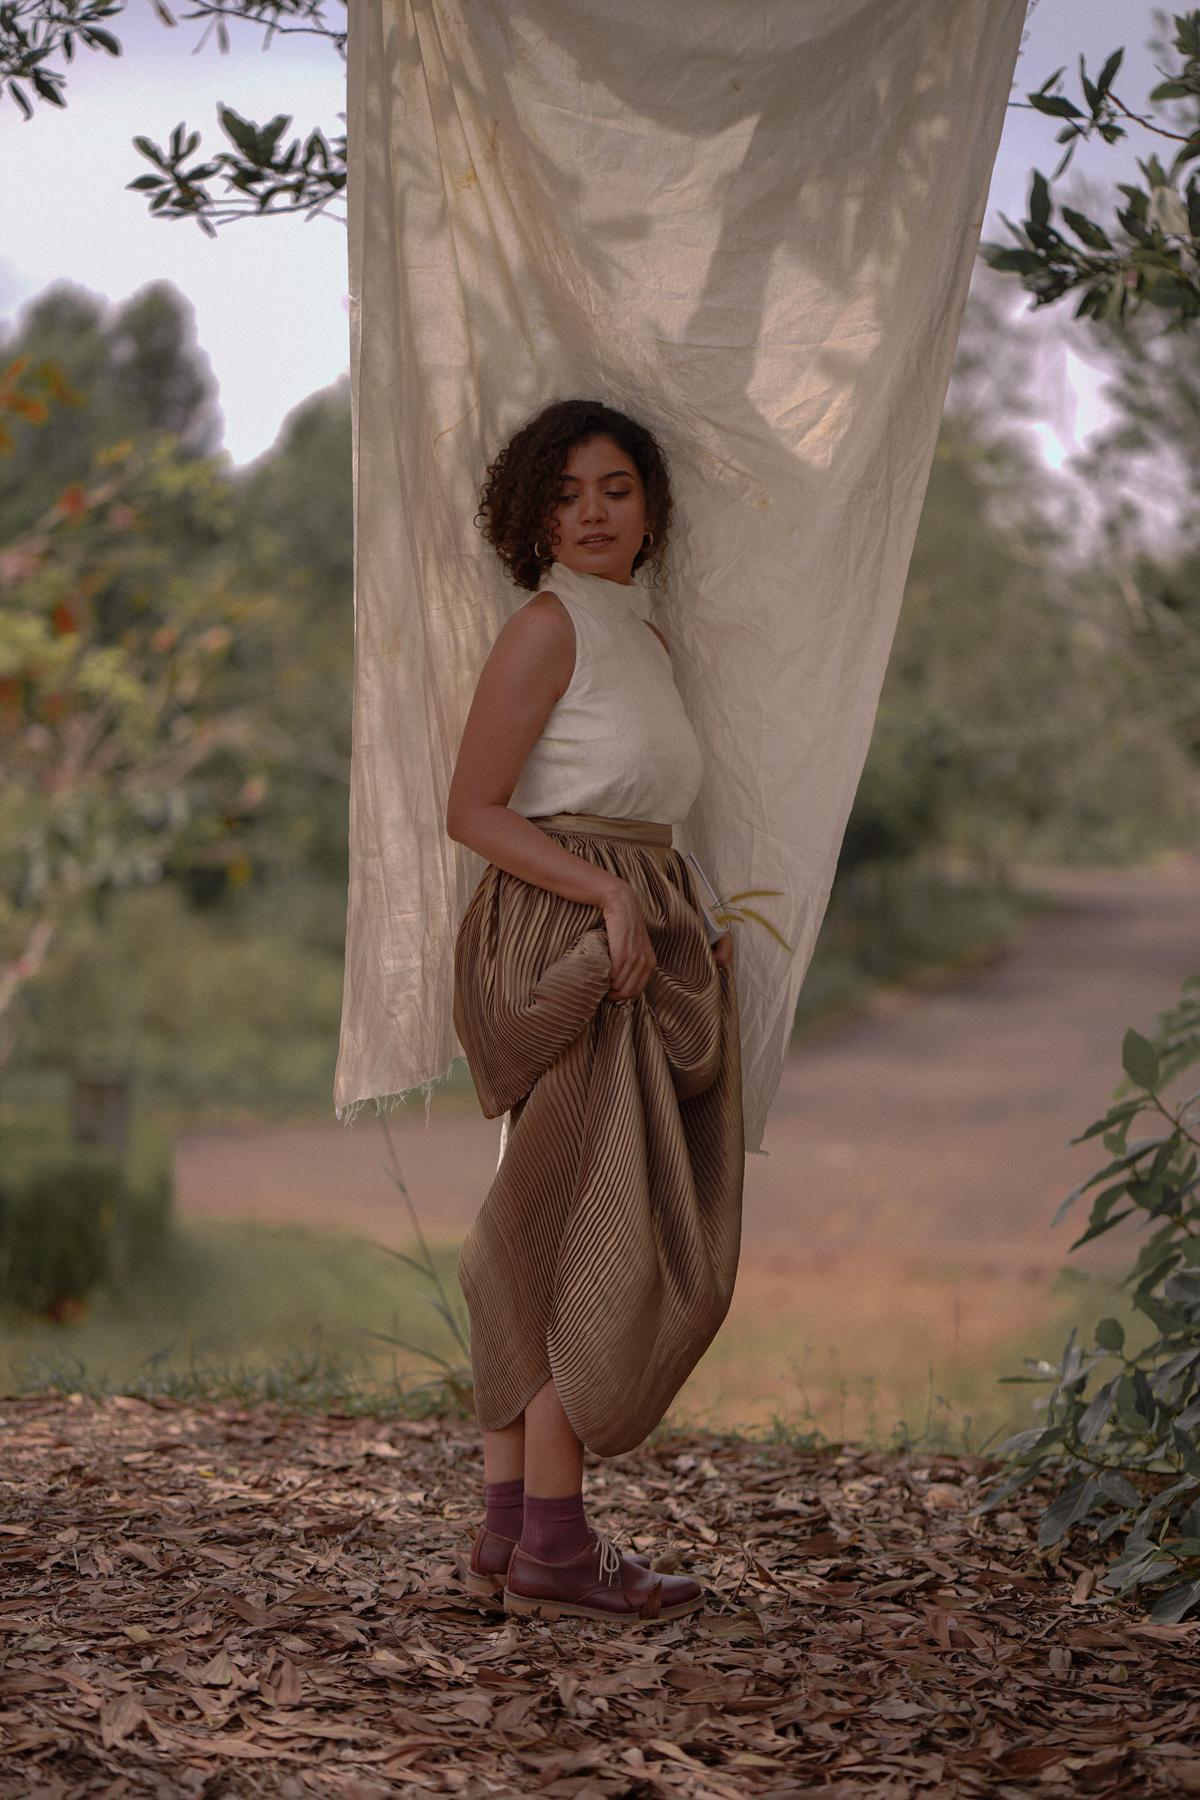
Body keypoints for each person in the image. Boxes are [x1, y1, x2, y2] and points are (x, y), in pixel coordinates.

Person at [446, 398, 745, 1626]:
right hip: (564, 933)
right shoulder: (546, 628)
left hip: (631, 919)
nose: (591, 513)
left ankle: (512, 1533)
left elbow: (649, 805)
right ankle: (562, 1553)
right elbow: (473, 808)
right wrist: (608, 900)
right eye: (565, 494)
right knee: (589, 1230)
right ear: (532, 518)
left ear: (652, 508)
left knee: (560, 1209)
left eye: (614, 489)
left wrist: (688, 914)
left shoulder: (649, 639)